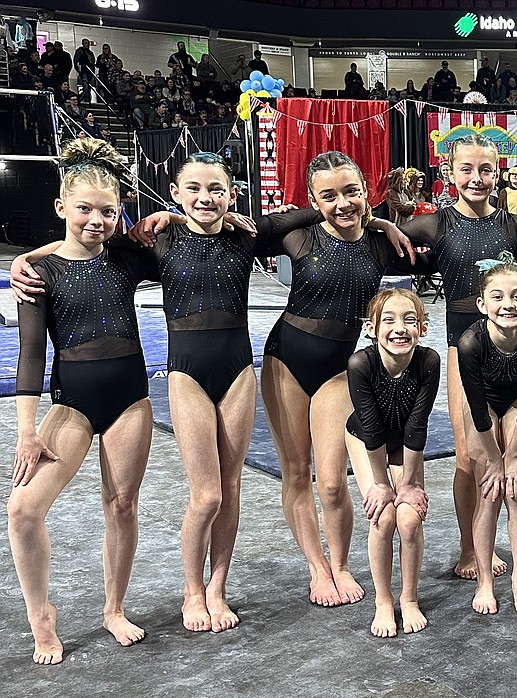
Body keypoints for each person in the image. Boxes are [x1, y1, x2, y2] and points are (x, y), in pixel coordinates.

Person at [9, 152, 323, 633]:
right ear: (174, 193)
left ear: (231, 194)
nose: (205, 197)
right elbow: (75, 263)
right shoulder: (147, 247)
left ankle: (208, 590)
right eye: (192, 188)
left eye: (216, 189)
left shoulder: (232, 240)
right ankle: (181, 594)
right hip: (162, 381)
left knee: (213, 490)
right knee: (205, 495)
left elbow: (303, 214)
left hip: (224, 376)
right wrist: (28, 259)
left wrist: (379, 222)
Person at [7, 138, 157, 664]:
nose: (97, 220)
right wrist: (27, 430)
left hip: (130, 402)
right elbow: (29, 358)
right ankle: (40, 615)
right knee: (24, 509)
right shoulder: (39, 275)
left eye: (109, 211)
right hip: (71, 404)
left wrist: (161, 218)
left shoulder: (125, 259)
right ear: (61, 208)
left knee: (122, 505)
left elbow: (190, 238)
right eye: (85, 209)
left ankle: (113, 607)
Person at [395, 135, 517, 581]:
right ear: (449, 173)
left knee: (512, 449)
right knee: (470, 457)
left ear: (499, 173)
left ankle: (498, 540)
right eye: (466, 169)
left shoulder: (515, 226)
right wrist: (385, 225)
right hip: (462, 346)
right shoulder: (435, 224)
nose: (476, 178)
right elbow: (382, 238)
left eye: (485, 170)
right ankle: (470, 548)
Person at [258, 152, 420, 608]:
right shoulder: (297, 235)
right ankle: (318, 567)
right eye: (328, 196)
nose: (343, 203)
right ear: (311, 200)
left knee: (331, 482)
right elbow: (241, 231)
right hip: (285, 361)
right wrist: (328, 210)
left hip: (336, 370)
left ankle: (343, 563)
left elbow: (438, 243)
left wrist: (381, 223)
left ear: (366, 188)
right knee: (295, 472)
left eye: (351, 191)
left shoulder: (380, 243)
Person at [458, 257, 517, 614]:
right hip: (484, 406)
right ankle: (485, 580)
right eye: (497, 297)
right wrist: (496, 461)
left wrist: (512, 457)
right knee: (489, 490)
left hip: (516, 401)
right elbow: (479, 409)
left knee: (515, 490)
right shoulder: (471, 343)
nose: (508, 305)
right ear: (483, 305)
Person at [345, 288, 439, 637]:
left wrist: (410, 484)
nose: (399, 328)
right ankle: (383, 602)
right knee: (383, 517)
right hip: (364, 440)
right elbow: (370, 427)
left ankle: (409, 598)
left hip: (405, 445)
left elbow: (417, 424)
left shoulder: (428, 362)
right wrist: (382, 484)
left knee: (410, 519)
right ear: (371, 328)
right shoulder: (361, 364)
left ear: (423, 327)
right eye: (389, 320)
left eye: (409, 320)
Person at [72, 38, 95, 103]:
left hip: (90, 72)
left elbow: (93, 62)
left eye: (88, 43)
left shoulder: (90, 53)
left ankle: (88, 100)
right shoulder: (80, 51)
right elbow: (76, 61)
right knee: (86, 87)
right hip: (84, 71)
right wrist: (79, 70)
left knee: (89, 87)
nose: (87, 45)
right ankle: (82, 99)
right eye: (85, 43)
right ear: (82, 44)